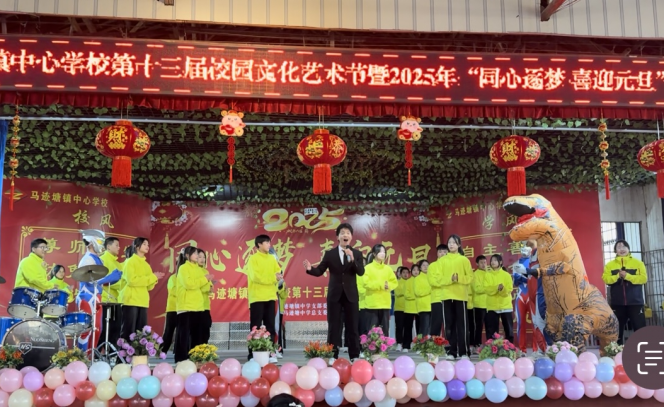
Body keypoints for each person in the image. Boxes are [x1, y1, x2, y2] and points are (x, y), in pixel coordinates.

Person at [304, 223, 365, 361]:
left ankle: (354, 355)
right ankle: (332, 354)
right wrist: (310, 269)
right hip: (334, 296)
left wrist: (352, 259)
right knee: (334, 327)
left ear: (351, 237)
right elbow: (320, 271)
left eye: (348, 233)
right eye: (342, 233)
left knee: (353, 327)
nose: (345, 235)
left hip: (351, 296)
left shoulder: (356, 254)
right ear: (338, 237)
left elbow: (361, 272)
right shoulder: (330, 254)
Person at [76, 229, 123, 352]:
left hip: (97, 296)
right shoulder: (87, 259)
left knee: (97, 329)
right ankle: (82, 356)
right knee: (87, 329)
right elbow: (89, 280)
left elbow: (99, 281)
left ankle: (91, 356)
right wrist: (109, 278)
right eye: (100, 241)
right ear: (91, 242)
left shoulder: (98, 259)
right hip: (87, 296)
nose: (102, 244)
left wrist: (112, 279)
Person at [602, 240, 648, 345]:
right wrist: (617, 276)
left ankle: (642, 350)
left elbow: (643, 279)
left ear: (628, 249)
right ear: (615, 250)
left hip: (635, 302)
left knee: (640, 328)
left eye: (624, 247)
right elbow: (606, 279)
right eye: (618, 247)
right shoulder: (609, 265)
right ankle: (615, 351)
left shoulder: (638, 263)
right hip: (617, 303)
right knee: (616, 330)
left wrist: (627, 276)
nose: (622, 249)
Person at [247, 235, 282, 362]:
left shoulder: (272, 259)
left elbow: (278, 273)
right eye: (266, 242)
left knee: (270, 327)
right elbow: (256, 277)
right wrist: (273, 278)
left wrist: (277, 276)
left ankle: (270, 353)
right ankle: (253, 354)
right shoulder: (253, 259)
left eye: (269, 242)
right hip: (257, 297)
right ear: (259, 244)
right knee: (255, 327)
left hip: (270, 296)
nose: (269, 245)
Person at [175, 246, 211, 362]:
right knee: (184, 336)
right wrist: (204, 280)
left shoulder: (199, 270)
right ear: (187, 256)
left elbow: (204, 287)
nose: (197, 256)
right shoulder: (183, 268)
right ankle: (181, 360)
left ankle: (194, 359)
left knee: (197, 336)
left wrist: (206, 282)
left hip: (198, 306)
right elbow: (188, 284)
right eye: (194, 254)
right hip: (185, 306)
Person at [440, 235, 473, 359]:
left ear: (459, 245)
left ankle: (464, 352)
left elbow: (470, 277)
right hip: (447, 296)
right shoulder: (442, 261)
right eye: (449, 242)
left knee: (462, 325)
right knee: (449, 326)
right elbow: (438, 279)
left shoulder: (464, 260)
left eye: (454, 242)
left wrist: (458, 278)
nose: (451, 244)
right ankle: (451, 352)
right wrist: (450, 279)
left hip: (460, 296)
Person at [120, 237, 158, 342]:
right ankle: (124, 353)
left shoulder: (146, 265)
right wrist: (152, 278)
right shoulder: (130, 262)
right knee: (128, 331)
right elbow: (131, 281)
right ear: (137, 247)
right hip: (130, 300)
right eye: (144, 244)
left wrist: (154, 279)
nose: (147, 246)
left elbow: (149, 287)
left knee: (141, 332)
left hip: (143, 301)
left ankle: (138, 353)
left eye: (148, 245)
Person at [363, 244, 398, 335]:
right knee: (372, 331)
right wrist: (381, 285)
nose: (383, 254)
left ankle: (384, 345)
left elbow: (394, 282)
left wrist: (388, 285)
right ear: (374, 254)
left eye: (384, 252)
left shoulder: (388, 269)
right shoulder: (368, 268)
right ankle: (371, 345)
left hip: (385, 304)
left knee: (384, 330)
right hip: (372, 304)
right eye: (380, 252)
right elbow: (366, 283)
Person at [99, 237, 125, 352]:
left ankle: (112, 354)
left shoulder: (118, 264)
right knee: (104, 329)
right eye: (116, 245)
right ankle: (97, 353)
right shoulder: (102, 260)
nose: (119, 248)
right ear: (108, 246)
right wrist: (123, 284)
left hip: (115, 300)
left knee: (116, 329)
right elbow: (103, 281)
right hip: (105, 301)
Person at [484, 254, 514, 344]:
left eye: (495, 260)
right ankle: (492, 349)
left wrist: (502, 289)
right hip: (492, 306)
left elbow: (509, 290)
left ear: (500, 262)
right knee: (492, 331)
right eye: (491, 260)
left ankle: (510, 348)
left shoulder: (506, 275)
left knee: (509, 330)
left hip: (505, 305)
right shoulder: (487, 275)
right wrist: (497, 287)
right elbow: (487, 289)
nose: (492, 262)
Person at [526, 240, 548, 353]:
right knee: (535, 323)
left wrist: (527, 270)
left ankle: (547, 350)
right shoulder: (530, 255)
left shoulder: (541, 252)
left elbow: (541, 272)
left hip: (540, 292)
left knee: (541, 322)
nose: (525, 240)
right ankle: (541, 350)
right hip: (531, 293)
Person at [513, 246, 531, 353]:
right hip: (520, 295)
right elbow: (515, 282)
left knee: (536, 324)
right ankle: (522, 349)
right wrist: (518, 278)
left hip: (532, 296)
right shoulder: (516, 263)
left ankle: (537, 349)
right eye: (523, 250)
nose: (525, 252)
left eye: (527, 250)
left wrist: (523, 277)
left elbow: (534, 279)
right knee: (520, 324)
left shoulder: (534, 262)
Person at [427, 244, 448, 336]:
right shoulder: (432, 266)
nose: (442, 254)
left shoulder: (451, 265)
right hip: (437, 299)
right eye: (440, 252)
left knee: (450, 323)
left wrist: (443, 281)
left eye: (444, 252)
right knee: (436, 322)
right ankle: (434, 342)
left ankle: (451, 343)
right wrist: (446, 282)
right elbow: (432, 282)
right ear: (437, 253)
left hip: (449, 297)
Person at [471, 256, 489, 353]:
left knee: (490, 327)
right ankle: (476, 345)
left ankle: (490, 346)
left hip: (490, 304)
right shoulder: (475, 274)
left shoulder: (489, 273)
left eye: (485, 262)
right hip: (479, 305)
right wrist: (489, 288)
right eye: (481, 262)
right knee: (478, 327)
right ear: (477, 264)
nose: (484, 264)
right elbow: (477, 289)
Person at [196, 249, 213, 346]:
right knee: (197, 333)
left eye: (204, 257)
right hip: (196, 306)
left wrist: (210, 288)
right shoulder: (194, 271)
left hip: (206, 305)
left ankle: (204, 351)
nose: (202, 259)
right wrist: (207, 287)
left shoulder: (206, 271)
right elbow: (199, 287)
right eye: (200, 257)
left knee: (206, 330)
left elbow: (210, 286)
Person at [160, 269, 178, 355]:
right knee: (169, 331)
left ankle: (177, 351)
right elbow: (173, 291)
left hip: (183, 309)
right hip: (172, 309)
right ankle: (162, 351)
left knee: (181, 333)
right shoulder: (173, 278)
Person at [414, 261, 432, 336]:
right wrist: (430, 289)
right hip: (423, 306)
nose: (426, 267)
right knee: (424, 328)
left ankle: (431, 343)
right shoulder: (417, 278)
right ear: (420, 268)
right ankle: (422, 343)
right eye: (423, 265)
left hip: (433, 305)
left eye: (427, 265)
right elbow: (418, 292)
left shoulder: (432, 277)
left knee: (432, 329)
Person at [394, 267, 408, 352]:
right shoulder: (396, 282)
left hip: (409, 308)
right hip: (399, 308)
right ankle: (399, 343)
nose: (405, 274)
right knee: (399, 327)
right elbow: (398, 293)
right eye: (403, 272)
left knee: (407, 327)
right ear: (400, 274)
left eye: (407, 272)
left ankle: (406, 344)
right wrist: (407, 292)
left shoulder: (410, 282)